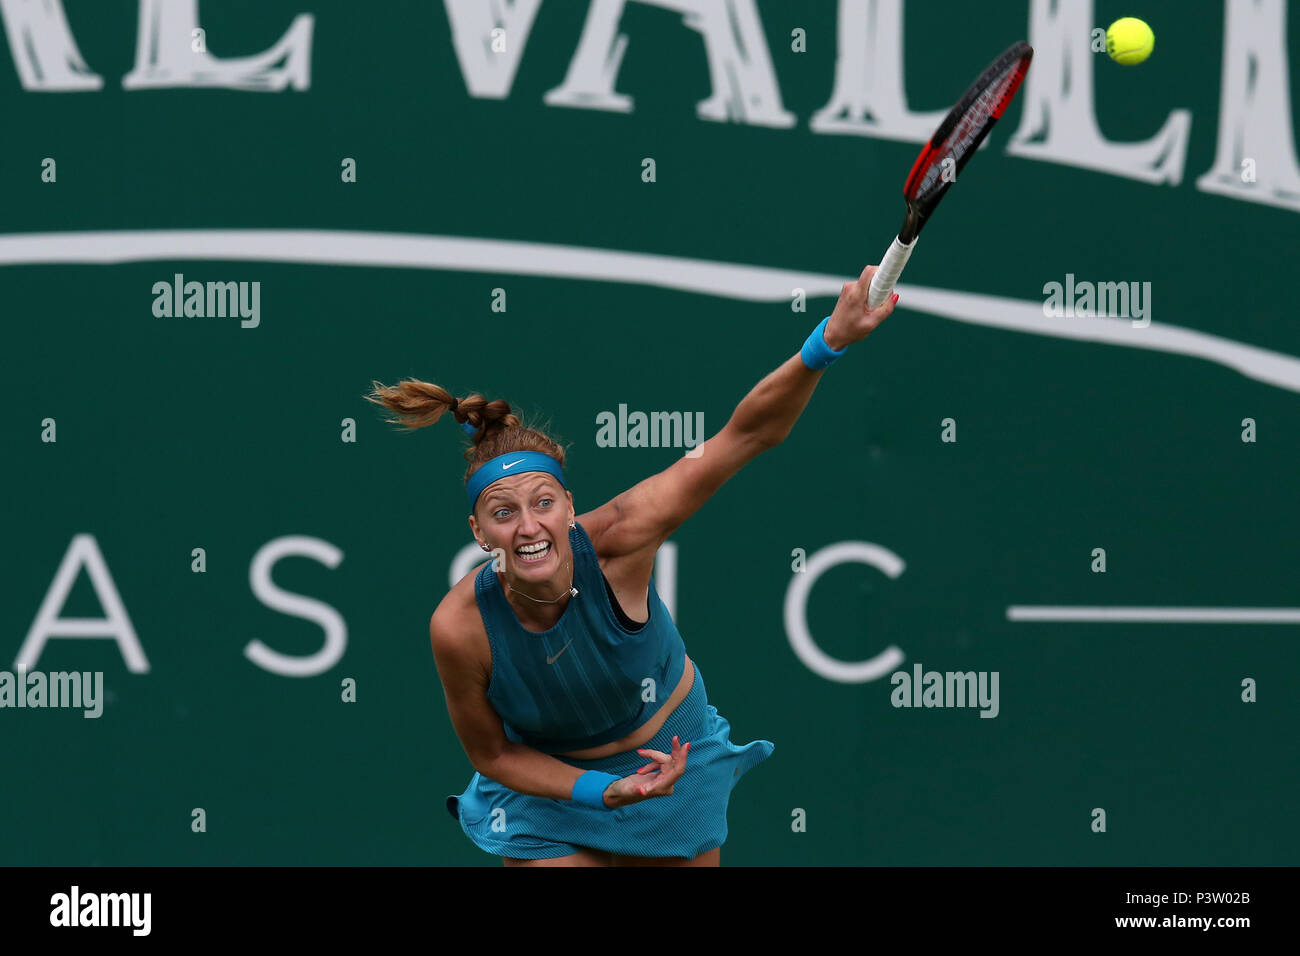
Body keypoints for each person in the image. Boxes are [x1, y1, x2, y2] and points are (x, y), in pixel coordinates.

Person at [366, 265, 898, 866]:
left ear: (570, 505)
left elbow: (745, 434)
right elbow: (492, 755)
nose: (528, 526)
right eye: (503, 512)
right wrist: (599, 789)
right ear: (478, 531)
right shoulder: (459, 627)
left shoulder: (623, 536)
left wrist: (827, 340)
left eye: (543, 503)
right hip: (550, 788)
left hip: (672, 759)